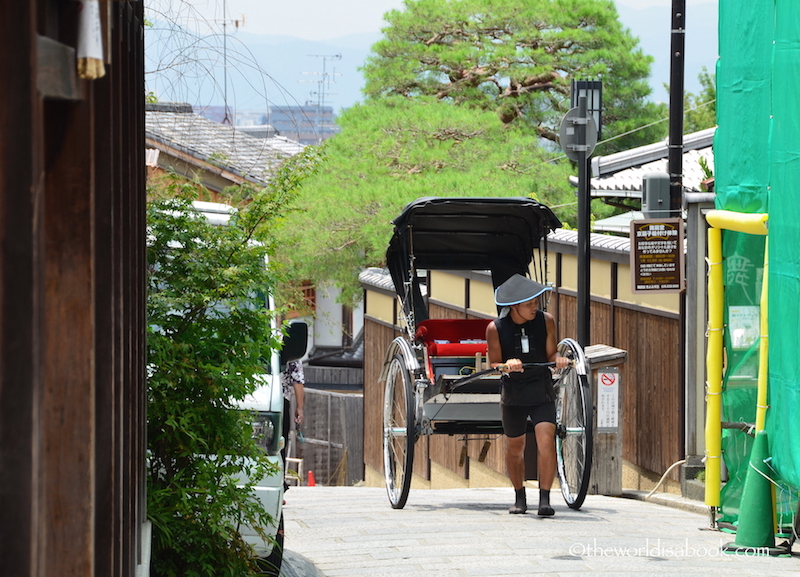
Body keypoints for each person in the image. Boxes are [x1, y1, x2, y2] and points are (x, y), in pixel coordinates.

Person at [485, 274, 569, 516]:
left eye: (536, 301)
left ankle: (545, 499)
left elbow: (551, 354)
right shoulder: (496, 328)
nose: (536, 307)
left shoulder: (547, 321)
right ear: (514, 305)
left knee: (546, 440)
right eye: (529, 303)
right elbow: (494, 363)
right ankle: (519, 496)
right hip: (513, 393)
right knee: (515, 447)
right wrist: (506, 364)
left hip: (541, 389)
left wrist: (559, 359)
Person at [281, 359, 305, 488]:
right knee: (279, 444)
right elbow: (298, 379)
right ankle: (279, 483)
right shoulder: (289, 348)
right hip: (279, 399)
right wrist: (300, 408)